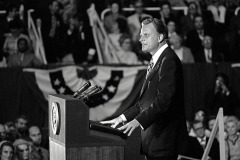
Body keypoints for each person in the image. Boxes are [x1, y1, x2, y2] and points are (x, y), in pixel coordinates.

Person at [101, 18, 188, 160]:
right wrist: (122, 118)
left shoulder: (169, 60)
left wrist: (137, 122)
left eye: (146, 35)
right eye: (141, 35)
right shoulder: (156, 60)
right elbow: (143, 102)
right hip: (152, 141)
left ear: (160, 37)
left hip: (164, 142)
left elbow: (163, 101)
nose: (141, 39)